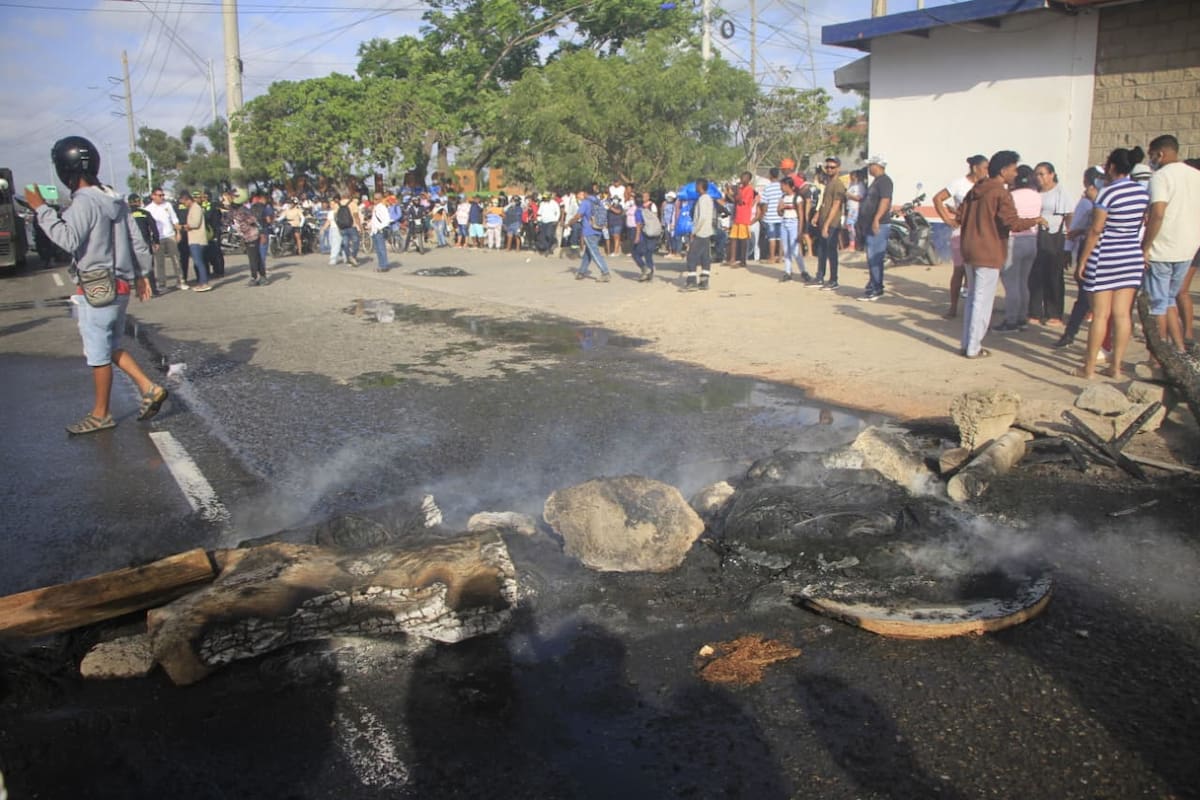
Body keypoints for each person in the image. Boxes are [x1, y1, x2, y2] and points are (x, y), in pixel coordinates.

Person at [25, 136, 167, 434]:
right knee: (111, 345)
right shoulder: (116, 200)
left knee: (97, 353)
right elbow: (138, 242)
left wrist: (41, 210)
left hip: (95, 288)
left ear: (66, 170)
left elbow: (67, 239)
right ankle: (149, 387)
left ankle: (101, 413)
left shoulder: (83, 202)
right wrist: (143, 275)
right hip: (122, 286)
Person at [958, 150, 1045, 358]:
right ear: (1004, 170)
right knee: (982, 301)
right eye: (1014, 170)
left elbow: (959, 214)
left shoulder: (976, 189)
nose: (1016, 174)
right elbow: (1012, 223)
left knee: (973, 299)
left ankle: (967, 343)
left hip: (970, 248)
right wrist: (1035, 220)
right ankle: (973, 347)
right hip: (988, 251)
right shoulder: (1000, 193)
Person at [1074, 146, 1150, 379]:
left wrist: (1083, 261)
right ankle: (1115, 367)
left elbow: (1096, 230)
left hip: (1105, 255)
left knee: (1100, 315)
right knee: (1122, 314)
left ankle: (1088, 368)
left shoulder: (1107, 193)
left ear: (1112, 167)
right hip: (1131, 255)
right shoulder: (1142, 192)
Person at [1142, 134, 1200, 354]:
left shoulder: (1161, 177)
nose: (1152, 160)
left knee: (1157, 306)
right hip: (1187, 248)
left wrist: (1146, 246)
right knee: (1169, 301)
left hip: (1162, 248)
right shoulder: (1195, 175)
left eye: (1152, 156)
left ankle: (1158, 355)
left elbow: (1157, 212)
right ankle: (1178, 349)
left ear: (1160, 154)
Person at [1055, 167, 1105, 350]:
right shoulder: (1086, 203)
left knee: (1090, 299)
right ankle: (1071, 333)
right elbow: (1074, 228)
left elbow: (1084, 228)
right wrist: (1068, 250)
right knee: (1085, 296)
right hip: (1091, 250)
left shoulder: (1101, 200)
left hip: (1101, 251)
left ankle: (1076, 335)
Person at [932, 155, 988, 317]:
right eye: (985, 168)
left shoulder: (987, 185)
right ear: (975, 168)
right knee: (959, 270)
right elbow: (938, 199)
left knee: (978, 271)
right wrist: (947, 220)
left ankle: (976, 309)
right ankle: (953, 307)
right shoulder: (959, 184)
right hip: (961, 233)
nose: (987, 171)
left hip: (981, 233)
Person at [993, 165, 1042, 333]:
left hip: (1014, 240)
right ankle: (1022, 318)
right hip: (1031, 239)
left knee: (1011, 284)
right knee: (1023, 282)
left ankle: (1011, 320)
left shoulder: (1010, 196)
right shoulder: (1037, 196)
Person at [1028, 162, 1073, 327]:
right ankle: (1034, 311)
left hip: (1055, 237)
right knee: (1036, 274)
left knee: (1053, 275)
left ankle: (1054, 313)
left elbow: (1069, 217)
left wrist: (1069, 241)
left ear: (1052, 174)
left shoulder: (1060, 192)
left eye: (1042, 174)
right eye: (1037, 174)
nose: (1039, 178)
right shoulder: (1034, 192)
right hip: (1036, 235)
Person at [857, 155, 893, 301]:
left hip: (879, 224)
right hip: (869, 224)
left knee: (875, 257)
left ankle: (876, 288)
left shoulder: (885, 181)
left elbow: (885, 201)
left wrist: (876, 219)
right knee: (872, 257)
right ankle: (874, 284)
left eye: (870, 165)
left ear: (877, 166)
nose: (868, 168)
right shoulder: (876, 182)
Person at [810, 156, 846, 290]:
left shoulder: (838, 184)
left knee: (831, 252)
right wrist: (817, 215)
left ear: (838, 168)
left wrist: (826, 225)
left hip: (832, 223)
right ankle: (820, 276)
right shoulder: (828, 183)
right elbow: (825, 203)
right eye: (828, 167)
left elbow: (836, 205)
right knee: (821, 250)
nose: (829, 169)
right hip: (824, 221)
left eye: (832, 167)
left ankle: (833, 279)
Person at [144, 186, 185, 291]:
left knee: (176, 259)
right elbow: (147, 226)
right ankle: (162, 284)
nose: (162, 197)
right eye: (159, 195)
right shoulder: (148, 209)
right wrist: (153, 241)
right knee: (160, 262)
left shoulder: (167, 205)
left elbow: (174, 219)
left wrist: (178, 232)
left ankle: (180, 281)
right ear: (153, 196)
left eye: (163, 195)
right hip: (158, 238)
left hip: (170, 235)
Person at [572, 188, 611, 282]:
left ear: (584, 193)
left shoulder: (585, 202)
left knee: (594, 253)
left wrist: (569, 223)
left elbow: (578, 215)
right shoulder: (598, 201)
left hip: (589, 231)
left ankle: (605, 272)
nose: (579, 198)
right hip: (598, 229)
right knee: (588, 254)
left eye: (579, 195)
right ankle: (581, 272)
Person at [127, 193, 160, 295]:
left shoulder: (126, 215)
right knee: (149, 267)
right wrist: (156, 241)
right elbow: (154, 228)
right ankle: (153, 290)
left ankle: (140, 291)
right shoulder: (145, 213)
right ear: (138, 201)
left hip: (131, 244)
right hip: (145, 243)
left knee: (136, 268)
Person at [179, 191, 212, 292]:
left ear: (188, 200)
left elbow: (195, 223)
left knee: (199, 262)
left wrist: (183, 226)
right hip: (194, 239)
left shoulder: (196, 208)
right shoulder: (193, 208)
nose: (183, 205)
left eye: (184, 202)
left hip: (197, 240)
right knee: (198, 262)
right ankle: (202, 282)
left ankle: (204, 283)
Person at [686, 178, 715, 291]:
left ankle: (692, 281)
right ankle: (704, 280)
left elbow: (701, 217)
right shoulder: (709, 199)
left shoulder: (702, 199)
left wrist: (694, 231)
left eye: (697, 185)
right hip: (707, 231)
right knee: (705, 257)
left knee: (691, 256)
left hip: (701, 232)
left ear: (700, 186)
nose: (695, 187)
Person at [730, 172, 759, 268]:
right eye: (742, 177)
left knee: (743, 240)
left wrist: (737, 191)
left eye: (744, 178)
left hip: (744, 217)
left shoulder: (749, 189)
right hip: (737, 217)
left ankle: (743, 260)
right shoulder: (741, 189)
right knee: (733, 238)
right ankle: (732, 259)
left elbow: (741, 201)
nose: (742, 179)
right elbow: (735, 200)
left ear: (748, 179)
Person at [632, 191, 660, 282]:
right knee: (648, 255)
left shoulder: (638, 212)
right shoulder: (646, 209)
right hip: (651, 234)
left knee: (635, 253)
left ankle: (644, 269)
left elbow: (639, 225)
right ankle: (650, 273)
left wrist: (637, 237)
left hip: (643, 236)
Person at [369, 191, 392, 272]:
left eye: (377, 199)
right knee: (378, 250)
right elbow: (374, 219)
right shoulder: (376, 207)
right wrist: (370, 226)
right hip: (374, 231)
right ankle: (381, 265)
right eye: (374, 199)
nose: (375, 200)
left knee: (381, 249)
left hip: (379, 231)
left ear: (381, 199)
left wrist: (379, 227)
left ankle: (384, 266)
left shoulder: (382, 207)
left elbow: (387, 220)